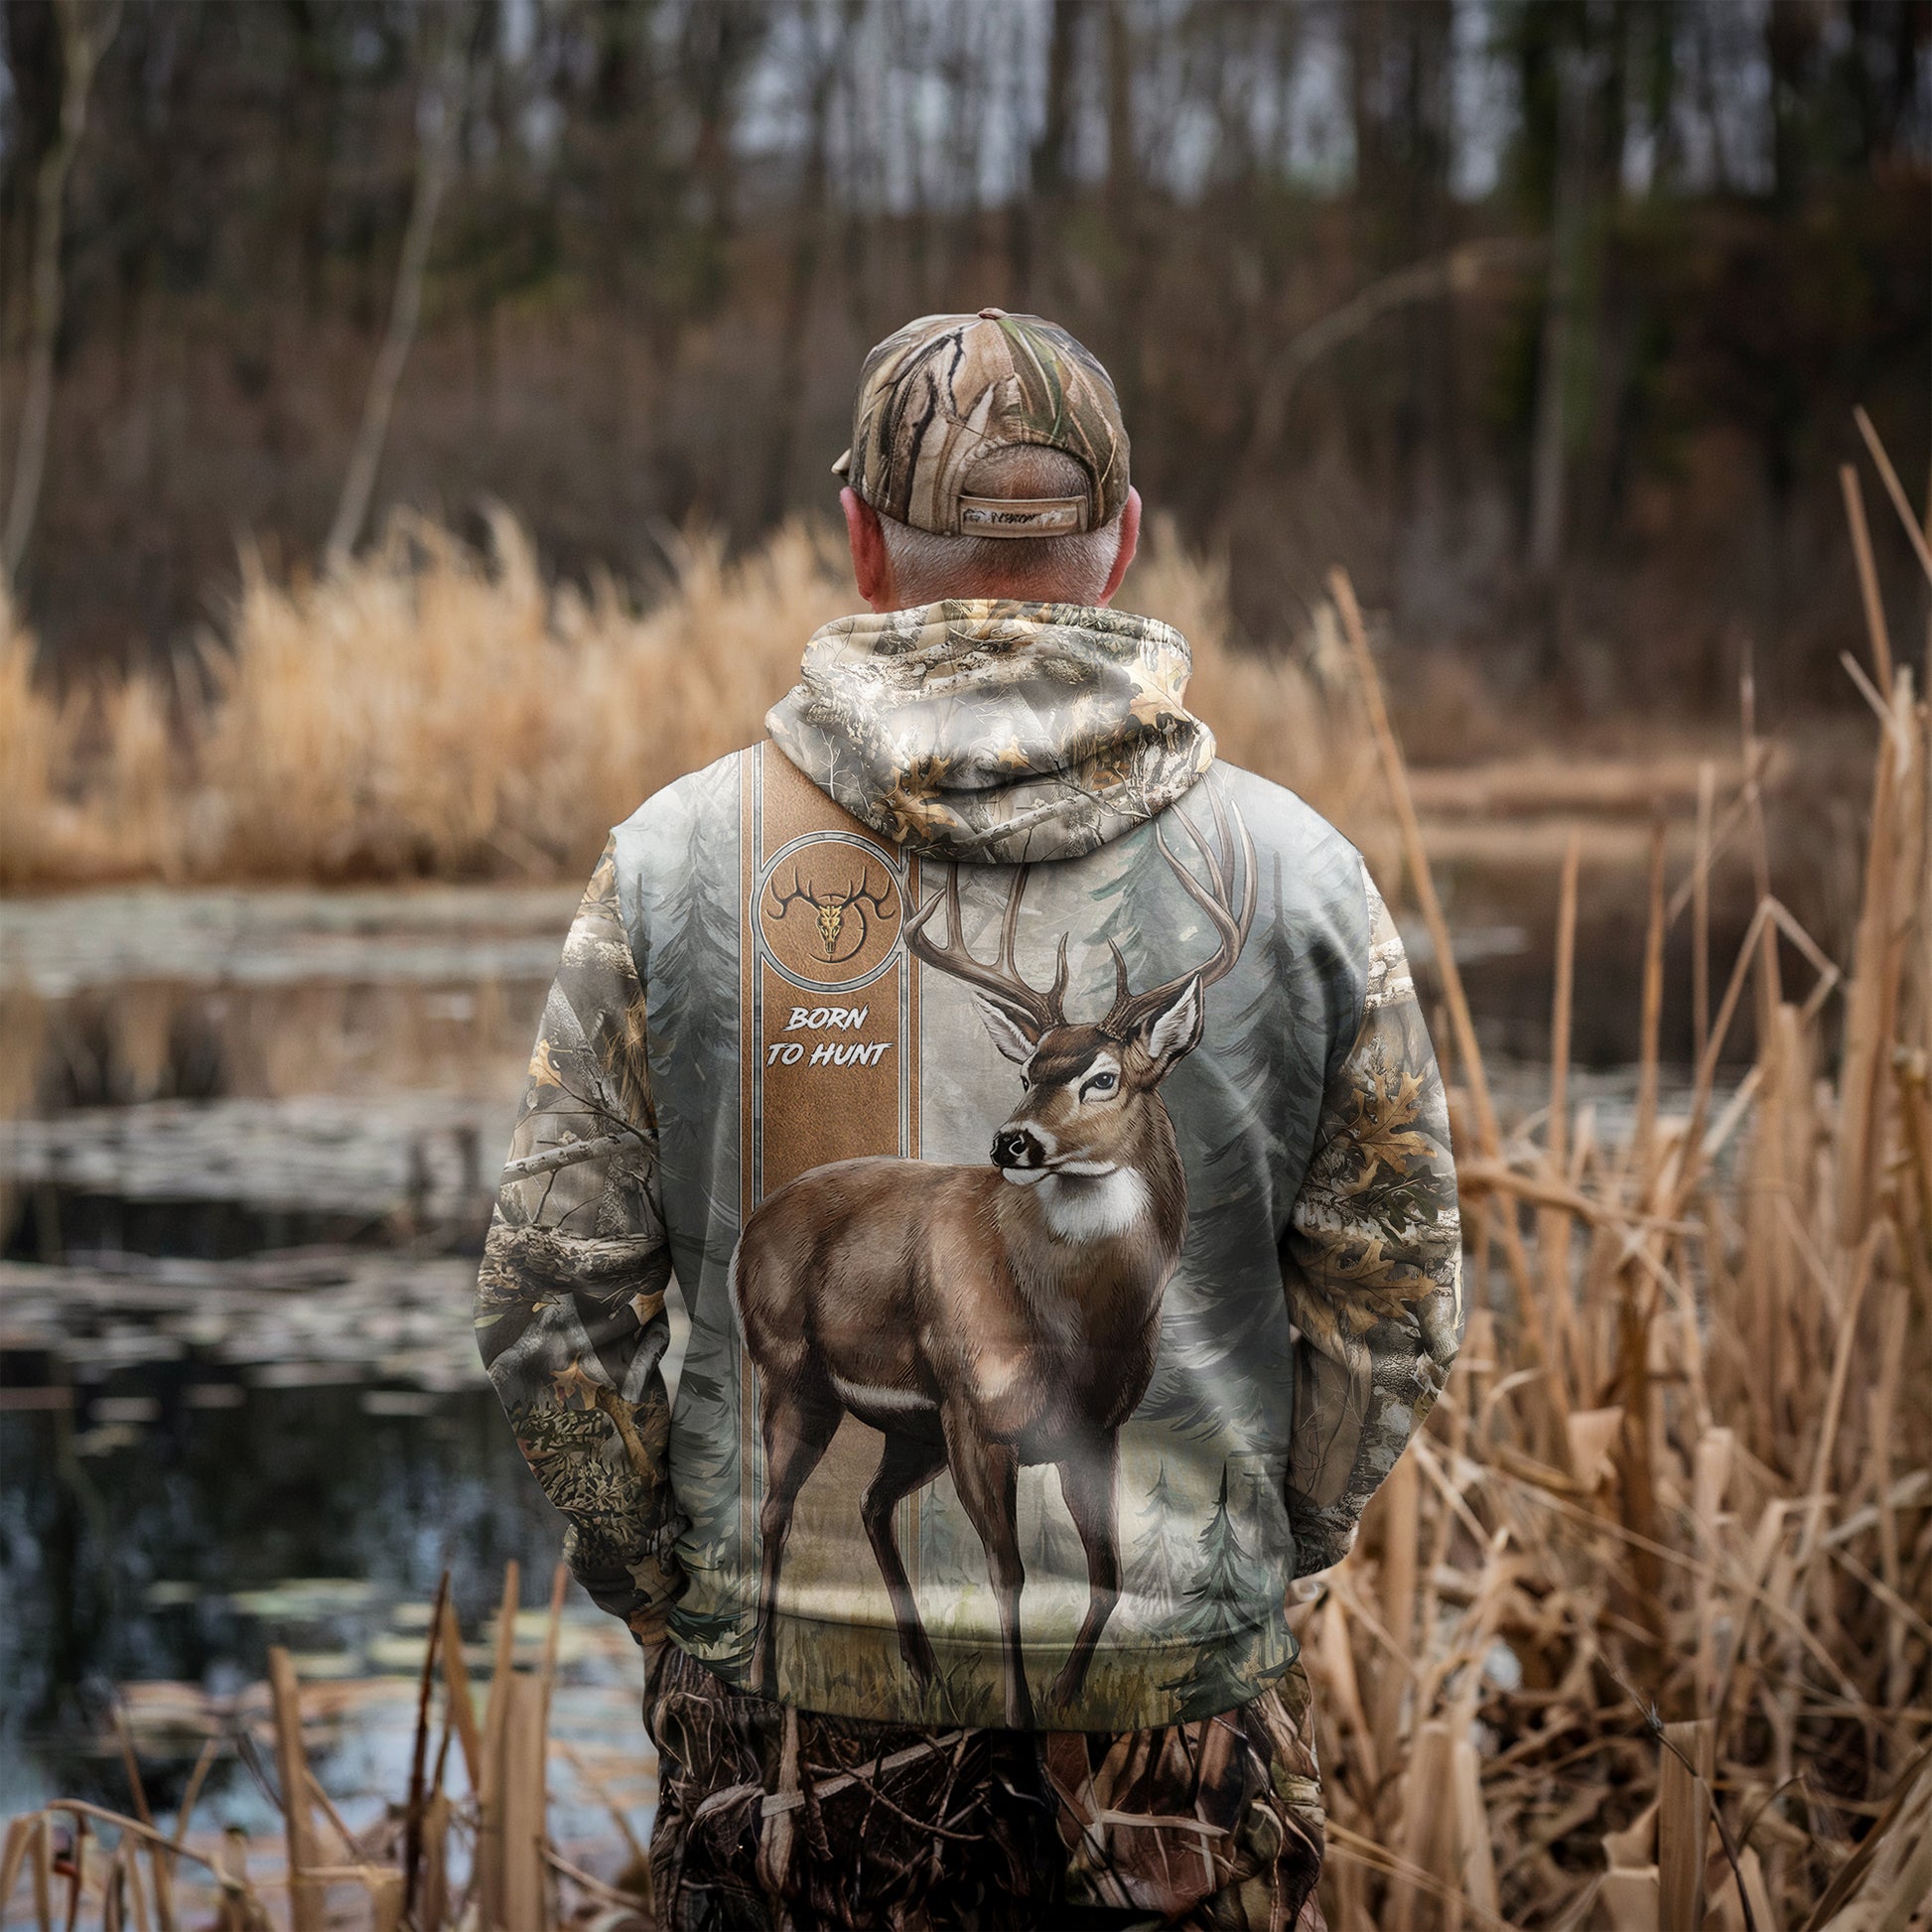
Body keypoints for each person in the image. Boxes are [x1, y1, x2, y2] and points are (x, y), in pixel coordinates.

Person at [476, 310, 1462, 1931]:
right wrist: (1245, 1563)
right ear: (1123, 543)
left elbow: (548, 1310)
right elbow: (1398, 1298)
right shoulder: (1300, 876)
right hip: (1180, 1757)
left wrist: (680, 1606)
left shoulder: (672, 864)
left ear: (857, 536)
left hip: (788, 1748)